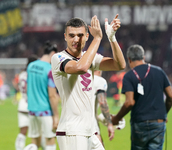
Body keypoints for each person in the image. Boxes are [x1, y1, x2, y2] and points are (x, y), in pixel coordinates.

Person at [51, 14, 126, 150]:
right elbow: (81, 67)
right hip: (72, 132)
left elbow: (119, 65)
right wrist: (97, 38)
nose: (76, 39)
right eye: (71, 35)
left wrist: (112, 38)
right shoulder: (58, 58)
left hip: (90, 131)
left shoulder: (91, 57)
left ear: (86, 36)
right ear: (65, 37)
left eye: (80, 35)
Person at [111, 44, 172, 150]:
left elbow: (129, 102)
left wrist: (117, 118)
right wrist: (164, 114)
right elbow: (171, 96)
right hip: (158, 123)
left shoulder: (129, 76)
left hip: (140, 123)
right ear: (143, 58)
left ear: (129, 60)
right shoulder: (159, 71)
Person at [24, 41, 59, 150]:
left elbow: (27, 87)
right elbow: (52, 95)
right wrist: (56, 115)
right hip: (45, 111)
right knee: (50, 139)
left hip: (32, 110)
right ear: (53, 54)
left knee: (34, 141)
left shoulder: (30, 66)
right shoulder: (50, 70)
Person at [15, 54, 38, 150]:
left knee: (22, 133)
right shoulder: (34, 74)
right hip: (32, 105)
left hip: (22, 104)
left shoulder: (21, 74)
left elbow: (18, 86)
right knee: (36, 133)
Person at [93, 70, 114, 147]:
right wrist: (109, 123)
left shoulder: (77, 78)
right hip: (90, 125)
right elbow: (102, 102)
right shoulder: (99, 81)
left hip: (69, 125)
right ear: (98, 71)